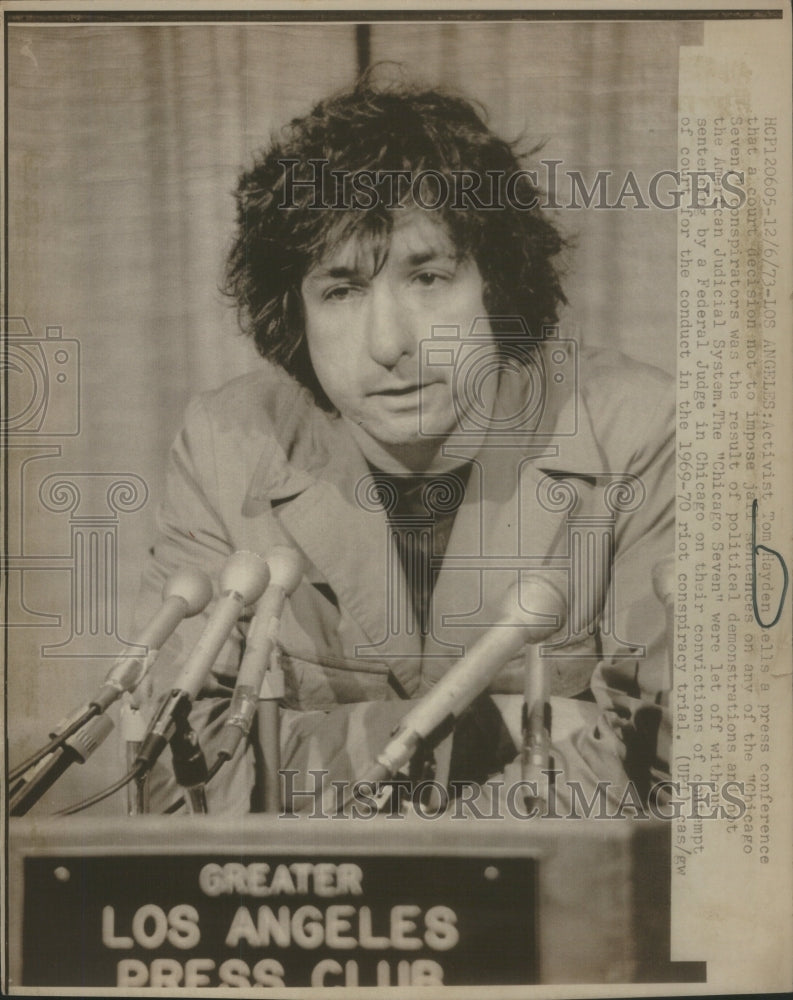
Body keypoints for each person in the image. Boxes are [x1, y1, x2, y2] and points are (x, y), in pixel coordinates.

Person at [133, 74, 674, 816]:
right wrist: (515, 732)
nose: (389, 344)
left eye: (427, 277)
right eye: (342, 290)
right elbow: (170, 776)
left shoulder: (639, 423)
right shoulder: (225, 440)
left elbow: (663, 764)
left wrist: (302, 748)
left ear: (496, 285)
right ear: (294, 312)